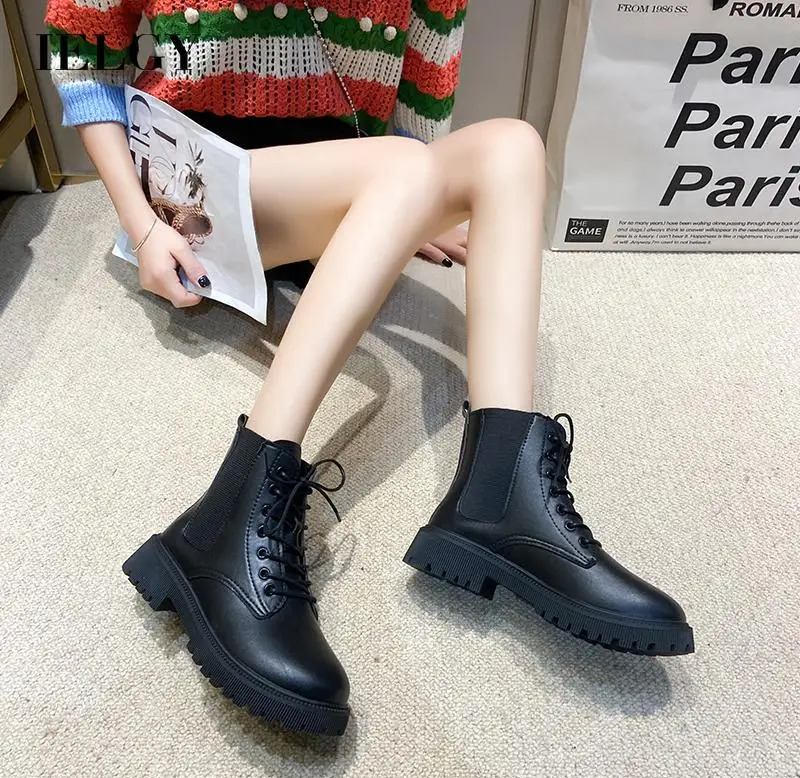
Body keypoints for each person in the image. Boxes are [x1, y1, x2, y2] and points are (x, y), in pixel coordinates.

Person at [46, 0, 694, 738]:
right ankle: (224, 519)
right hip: (193, 194)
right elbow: (79, 53)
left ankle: (499, 490)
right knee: (403, 165)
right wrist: (142, 226)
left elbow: (421, 99)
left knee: (512, 145)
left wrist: (413, 207)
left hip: (345, 188)